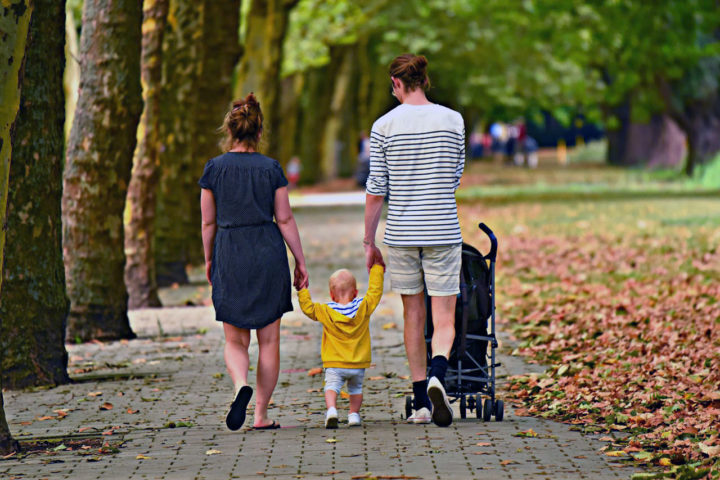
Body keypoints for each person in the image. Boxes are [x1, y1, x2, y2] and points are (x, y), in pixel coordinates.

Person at [363, 53, 465, 427]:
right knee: (444, 316)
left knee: (412, 314)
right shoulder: (453, 120)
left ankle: (422, 401)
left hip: (402, 233)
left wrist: (368, 240)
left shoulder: (384, 126)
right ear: (425, 80)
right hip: (442, 229)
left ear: (397, 84)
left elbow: (376, 190)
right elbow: (455, 176)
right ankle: (440, 373)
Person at [199, 93, 308, 431]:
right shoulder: (271, 168)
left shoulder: (214, 169)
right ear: (259, 132)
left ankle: (239, 386)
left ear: (229, 131)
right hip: (266, 252)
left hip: (230, 251)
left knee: (235, 340)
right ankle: (260, 415)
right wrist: (300, 261)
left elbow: (207, 223)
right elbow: (286, 220)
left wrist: (209, 259)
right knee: (270, 341)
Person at [297, 262, 385, 429]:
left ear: (331, 295)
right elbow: (375, 292)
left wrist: (302, 289)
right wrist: (377, 269)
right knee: (356, 389)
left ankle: (331, 410)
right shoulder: (363, 307)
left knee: (331, 387)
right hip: (358, 363)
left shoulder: (325, 311)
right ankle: (354, 415)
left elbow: (308, 309)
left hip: (334, 363)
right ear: (356, 292)